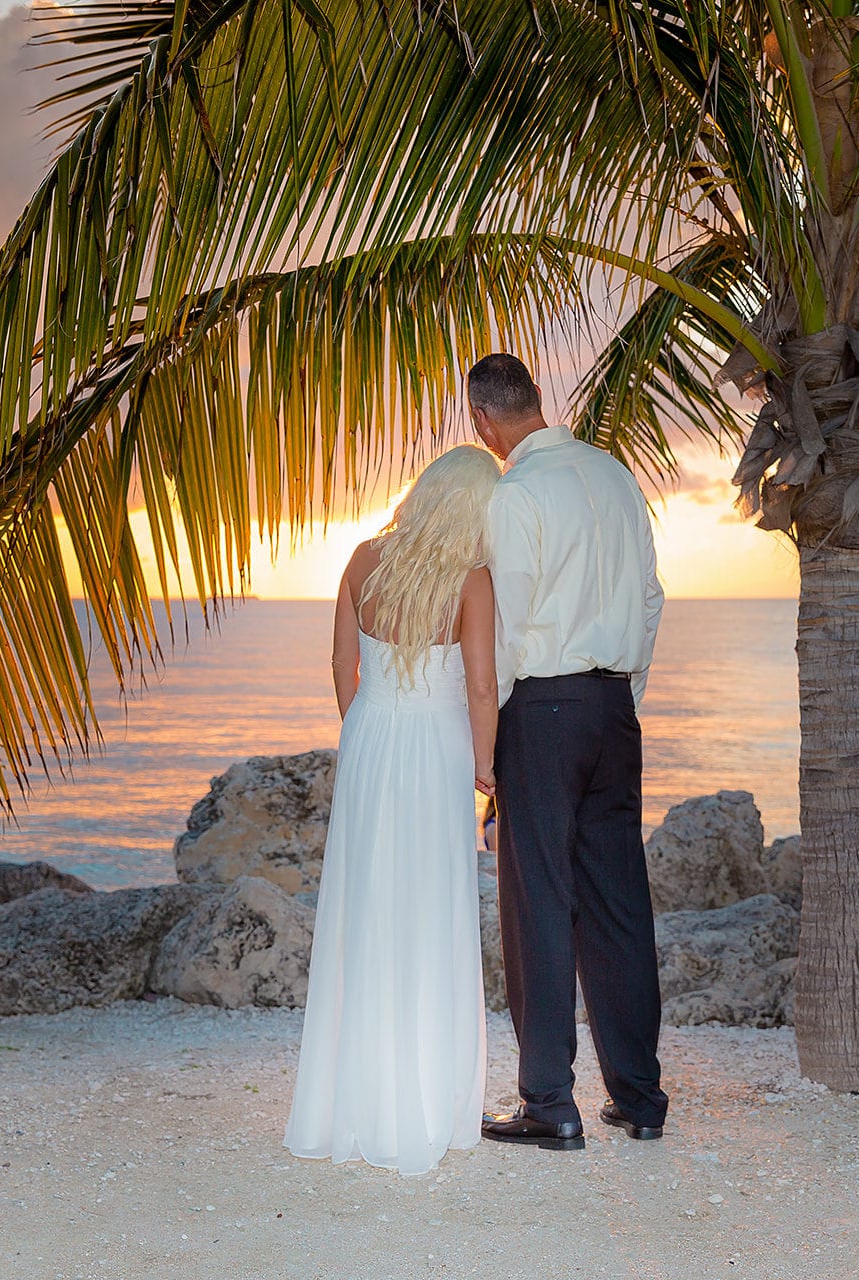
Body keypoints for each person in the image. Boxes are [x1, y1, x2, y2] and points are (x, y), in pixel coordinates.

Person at [469, 352, 669, 1150]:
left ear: (482, 420)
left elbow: (508, 629)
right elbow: (651, 597)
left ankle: (550, 1103)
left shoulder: (513, 494)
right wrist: (622, 697)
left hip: (543, 709)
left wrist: (493, 750)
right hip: (614, 705)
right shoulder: (615, 476)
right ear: (538, 402)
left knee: (539, 902)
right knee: (620, 902)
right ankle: (641, 1098)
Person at [284, 444, 500, 1175]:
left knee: (365, 905)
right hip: (437, 749)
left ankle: (353, 1099)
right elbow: (478, 690)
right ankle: (427, 1097)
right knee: (430, 907)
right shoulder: (473, 580)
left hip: (370, 740)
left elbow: (338, 664)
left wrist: (366, 723)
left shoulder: (361, 557)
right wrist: (486, 767)